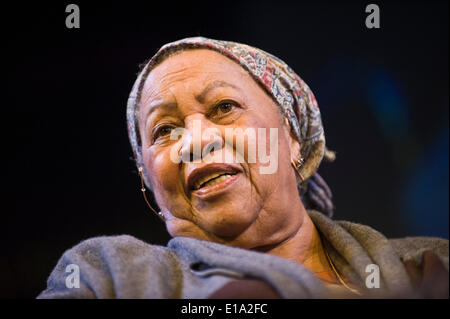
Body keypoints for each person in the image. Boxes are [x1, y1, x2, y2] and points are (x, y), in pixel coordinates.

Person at [38, 37, 448, 299]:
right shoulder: (105, 276)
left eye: (224, 107)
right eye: (164, 129)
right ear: (148, 180)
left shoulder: (434, 263)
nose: (196, 141)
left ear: (291, 139)